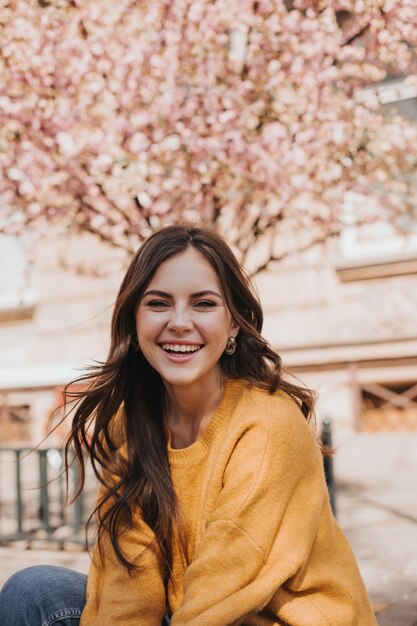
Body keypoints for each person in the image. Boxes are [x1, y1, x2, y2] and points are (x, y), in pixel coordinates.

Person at [0, 224, 377, 626]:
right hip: (187, 611)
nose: (179, 323)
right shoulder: (133, 423)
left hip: (268, 618)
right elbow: (126, 581)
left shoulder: (266, 426)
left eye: (203, 304)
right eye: (159, 303)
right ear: (134, 319)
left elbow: (221, 592)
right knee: (34, 590)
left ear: (233, 323)